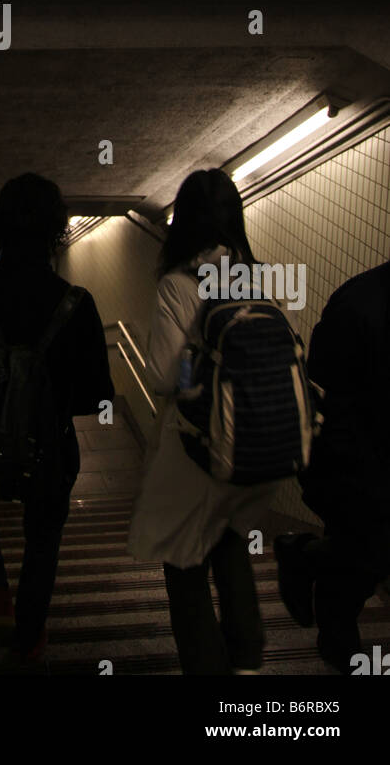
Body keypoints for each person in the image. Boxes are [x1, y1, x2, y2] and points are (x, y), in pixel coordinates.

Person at [0, 173, 113, 663]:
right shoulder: (78, 304)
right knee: (44, 533)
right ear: (58, 231)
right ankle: (31, 635)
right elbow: (96, 396)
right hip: (51, 444)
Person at [127, 169, 281, 675]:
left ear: (183, 222)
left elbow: (165, 376)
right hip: (255, 446)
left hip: (195, 447)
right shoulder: (261, 278)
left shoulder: (177, 284)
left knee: (183, 561)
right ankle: (248, 659)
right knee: (230, 544)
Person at [274, 258, 390, 673]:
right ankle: (338, 646)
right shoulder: (358, 302)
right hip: (355, 465)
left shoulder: (360, 299)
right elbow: (323, 387)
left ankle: (305, 557)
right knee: (361, 561)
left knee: (363, 556)